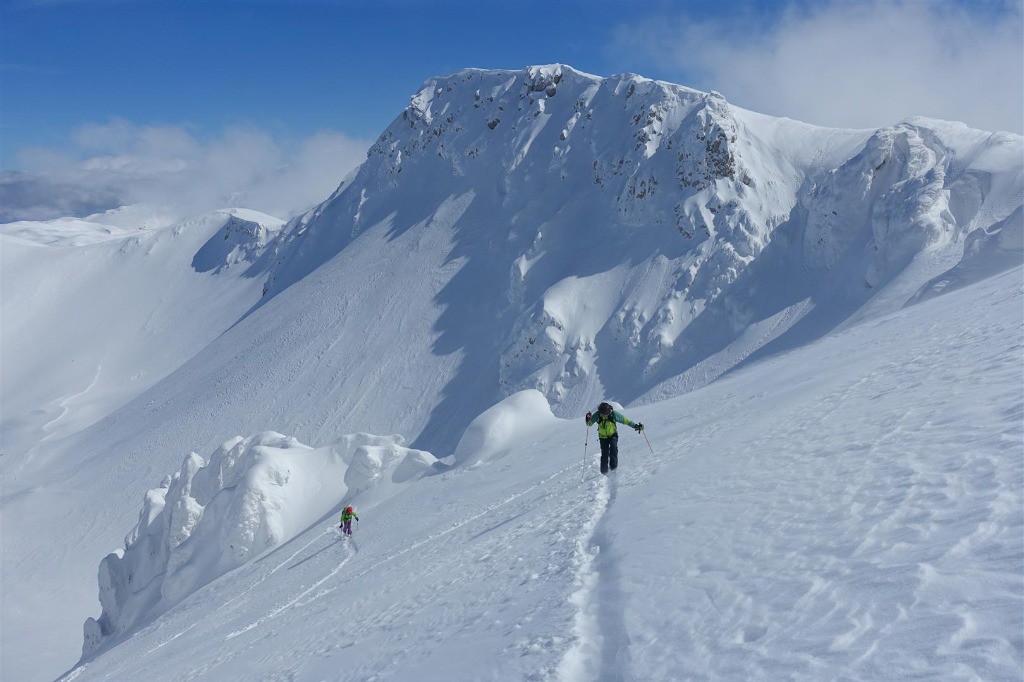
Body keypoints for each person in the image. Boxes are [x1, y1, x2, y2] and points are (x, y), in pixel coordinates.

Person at [585, 402, 643, 474]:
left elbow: (625, 420)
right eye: (603, 414)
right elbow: (589, 424)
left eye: (606, 414)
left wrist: (635, 426)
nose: (605, 415)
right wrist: (588, 419)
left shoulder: (613, 414)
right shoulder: (597, 415)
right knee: (604, 453)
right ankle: (604, 472)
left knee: (614, 449)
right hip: (603, 437)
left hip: (613, 435)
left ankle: (613, 469)